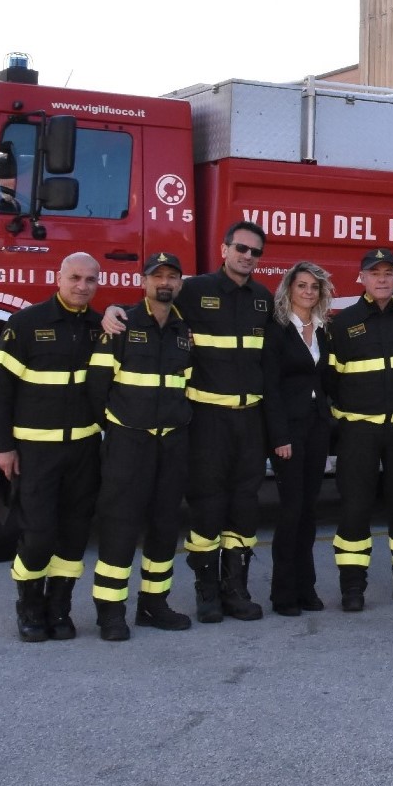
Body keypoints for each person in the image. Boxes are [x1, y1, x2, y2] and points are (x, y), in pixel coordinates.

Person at [104, 221, 274, 624]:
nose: (247, 256)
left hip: (249, 421)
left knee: (245, 506)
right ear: (224, 248)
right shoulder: (194, 290)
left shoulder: (263, 299)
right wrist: (110, 312)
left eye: (255, 251)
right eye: (241, 248)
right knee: (208, 505)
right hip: (208, 421)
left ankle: (236, 589)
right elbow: (152, 306)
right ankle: (207, 591)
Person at [0, 252, 103, 642]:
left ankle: (59, 609)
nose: (82, 286)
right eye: (75, 277)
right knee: (38, 534)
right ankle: (30, 608)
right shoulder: (25, 324)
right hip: (36, 453)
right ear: (59, 277)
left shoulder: (98, 327)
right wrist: (4, 447)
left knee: (73, 535)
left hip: (84, 451)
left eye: (90, 279)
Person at [85, 252, 195, 640]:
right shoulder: (120, 325)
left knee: (165, 526)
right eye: (157, 276)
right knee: (120, 526)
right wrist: (118, 427)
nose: (164, 283)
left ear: (180, 284)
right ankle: (111, 612)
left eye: (171, 277)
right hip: (129, 443)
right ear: (143, 282)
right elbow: (97, 386)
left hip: (172, 443)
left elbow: (189, 385)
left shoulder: (185, 331)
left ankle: (154, 604)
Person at [325, 248, 393, 613]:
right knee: (355, 509)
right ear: (362, 278)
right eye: (375, 273)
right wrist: (342, 421)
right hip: (359, 433)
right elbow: (330, 380)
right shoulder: (342, 323)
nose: (383, 278)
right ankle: (353, 586)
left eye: (389, 272)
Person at [263, 261, 334, 617]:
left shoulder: (321, 329)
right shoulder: (276, 329)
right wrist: (279, 435)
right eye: (301, 285)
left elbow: (323, 381)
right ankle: (283, 594)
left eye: (314, 287)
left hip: (317, 428)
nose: (308, 291)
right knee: (291, 511)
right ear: (289, 288)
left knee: (309, 510)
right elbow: (271, 387)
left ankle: (307, 588)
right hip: (288, 432)